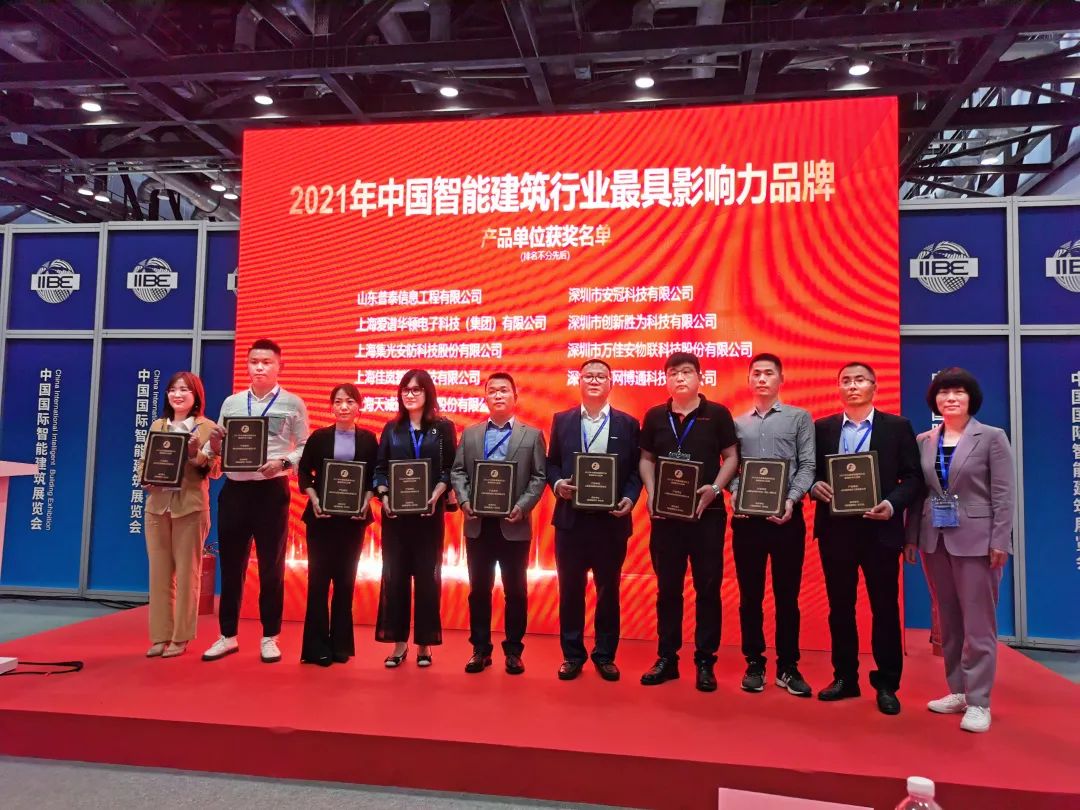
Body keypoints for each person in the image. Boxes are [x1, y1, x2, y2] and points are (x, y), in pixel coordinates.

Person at [905, 368, 1014, 733]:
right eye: (944, 393)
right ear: (934, 400)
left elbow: (1004, 494)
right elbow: (918, 494)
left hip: (978, 542)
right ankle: (958, 690)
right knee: (948, 621)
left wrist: (1000, 540)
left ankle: (979, 700)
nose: (950, 398)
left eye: (958, 392)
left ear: (971, 399)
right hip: (934, 539)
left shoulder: (992, 437)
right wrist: (911, 537)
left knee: (979, 624)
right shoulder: (924, 440)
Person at [810, 361, 924, 714]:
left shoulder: (897, 427)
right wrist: (814, 486)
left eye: (860, 380)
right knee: (840, 607)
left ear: (874, 386)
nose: (852, 385)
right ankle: (845, 677)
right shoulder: (822, 428)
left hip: (881, 530)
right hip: (836, 531)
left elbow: (914, 478)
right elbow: (809, 471)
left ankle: (887, 683)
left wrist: (892, 504)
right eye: (846, 380)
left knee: (884, 608)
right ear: (838, 388)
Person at [202, 339, 309, 664]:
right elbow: (214, 451)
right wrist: (215, 445)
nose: (259, 367)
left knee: (271, 566)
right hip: (235, 491)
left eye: (266, 362)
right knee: (231, 565)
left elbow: (305, 446)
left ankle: (270, 636)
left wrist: (284, 462)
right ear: (247, 365)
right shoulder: (232, 403)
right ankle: (227, 635)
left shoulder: (293, 403)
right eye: (254, 362)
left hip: (271, 492)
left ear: (279, 366)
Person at [638, 352, 739, 692]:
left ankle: (705, 661)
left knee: (707, 588)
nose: (679, 378)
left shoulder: (718, 414)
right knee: (668, 588)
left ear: (700, 377)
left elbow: (731, 457)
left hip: (707, 515)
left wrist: (715, 489)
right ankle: (667, 658)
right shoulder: (655, 416)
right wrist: (652, 492)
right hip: (666, 518)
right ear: (665, 379)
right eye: (673, 373)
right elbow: (646, 459)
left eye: (686, 372)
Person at [546, 359, 642, 682]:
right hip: (571, 522)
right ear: (579, 381)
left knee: (608, 591)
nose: (595, 380)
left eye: (602, 376)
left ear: (611, 383)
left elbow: (635, 471)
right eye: (589, 375)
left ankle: (605, 654)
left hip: (610, 523)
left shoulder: (628, 424)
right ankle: (572, 655)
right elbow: (552, 464)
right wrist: (558, 484)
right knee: (570, 591)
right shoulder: (562, 421)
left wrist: (630, 498)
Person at [730, 353, 815, 696]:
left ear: (781, 379)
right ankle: (754, 662)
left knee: (787, 597)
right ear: (749, 380)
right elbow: (731, 467)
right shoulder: (737, 424)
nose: (762, 378)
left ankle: (788, 666)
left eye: (769, 373)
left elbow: (808, 465)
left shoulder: (799, 418)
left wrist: (791, 499)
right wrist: (736, 492)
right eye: (756, 374)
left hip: (786, 520)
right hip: (747, 522)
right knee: (749, 597)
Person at [450, 372, 546, 675]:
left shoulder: (532, 435)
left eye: (504, 390)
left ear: (515, 396)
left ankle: (514, 650)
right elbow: (458, 472)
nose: (498, 395)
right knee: (479, 590)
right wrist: (464, 501)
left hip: (514, 524)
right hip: (478, 524)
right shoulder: (471, 434)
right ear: (486, 398)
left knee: (515, 591)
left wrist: (522, 507)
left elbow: (539, 477)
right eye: (492, 391)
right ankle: (480, 650)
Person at [373, 370, 457, 668]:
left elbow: (450, 468)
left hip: (428, 515)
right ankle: (398, 645)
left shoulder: (443, 428)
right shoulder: (392, 428)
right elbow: (380, 469)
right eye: (405, 390)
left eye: (416, 390)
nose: (410, 394)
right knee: (394, 578)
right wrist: (384, 496)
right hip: (395, 518)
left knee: (427, 579)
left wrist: (436, 494)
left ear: (428, 393)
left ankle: (424, 644)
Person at [139, 372, 219, 658]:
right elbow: (145, 461)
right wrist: (145, 478)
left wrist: (195, 453)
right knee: (159, 574)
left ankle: (181, 636)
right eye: (173, 389)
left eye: (185, 390)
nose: (178, 394)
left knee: (187, 575)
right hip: (157, 507)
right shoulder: (158, 425)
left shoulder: (208, 427)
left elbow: (214, 469)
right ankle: (160, 635)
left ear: (196, 396)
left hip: (190, 508)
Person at [296, 383, 378, 666]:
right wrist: (314, 499)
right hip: (321, 519)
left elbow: (374, 477)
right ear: (331, 406)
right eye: (338, 401)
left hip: (353, 522)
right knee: (318, 582)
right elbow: (304, 472)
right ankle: (316, 647)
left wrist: (366, 500)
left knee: (345, 582)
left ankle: (341, 645)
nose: (344, 407)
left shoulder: (368, 439)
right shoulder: (319, 437)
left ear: (359, 406)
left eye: (350, 401)